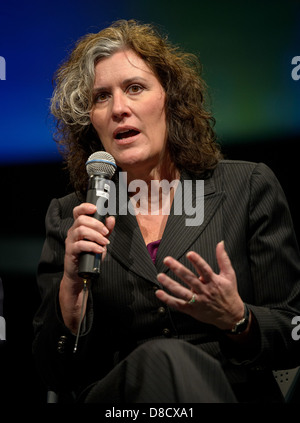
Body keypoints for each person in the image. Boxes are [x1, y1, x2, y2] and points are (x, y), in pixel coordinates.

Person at [33, 19, 300, 403]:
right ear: (90, 121)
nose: (119, 109)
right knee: (160, 358)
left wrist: (237, 318)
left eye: (135, 88)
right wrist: (72, 288)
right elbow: (53, 371)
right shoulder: (72, 215)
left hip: (229, 392)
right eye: (101, 97)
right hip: (121, 403)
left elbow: (292, 330)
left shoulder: (248, 187)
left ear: (170, 101)